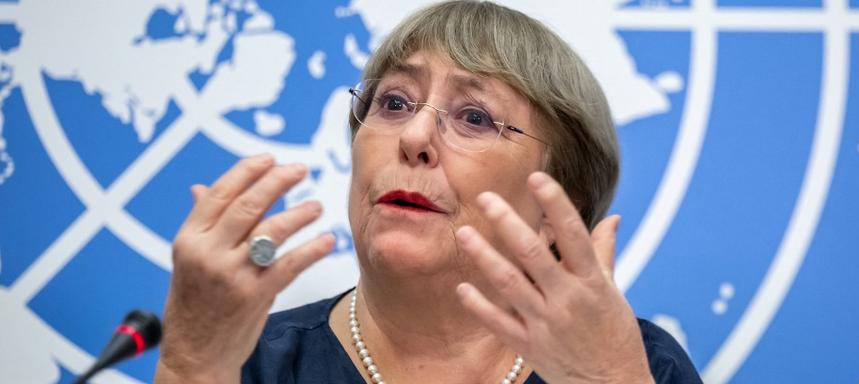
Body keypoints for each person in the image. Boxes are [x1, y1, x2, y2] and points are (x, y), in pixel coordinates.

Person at [153, 1, 701, 383]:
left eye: (474, 116)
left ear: (557, 206)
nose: (414, 137)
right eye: (394, 103)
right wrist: (188, 366)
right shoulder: (250, 362)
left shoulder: (636, 366)